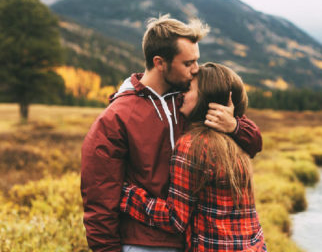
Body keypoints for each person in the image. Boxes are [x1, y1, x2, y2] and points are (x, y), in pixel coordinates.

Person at [81, 15, 262, 252]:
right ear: (160, 62)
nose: (196, 69)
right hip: (144, 244)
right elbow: (99, 199)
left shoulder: (192, 101)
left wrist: (235, 126)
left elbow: (254, 143)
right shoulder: (116, 117)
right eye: (188, 63)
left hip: (195, 241)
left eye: (197, 60)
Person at [120, 62, 266, 252]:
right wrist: (235, 126)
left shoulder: (192, 146)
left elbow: (174, 219)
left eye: (188, 89)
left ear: (206, 98)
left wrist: (126, 194)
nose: (182, 95)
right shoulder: (236, 141)